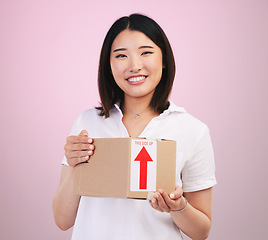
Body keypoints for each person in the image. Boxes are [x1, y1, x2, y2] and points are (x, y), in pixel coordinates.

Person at [53, 13, 216, 240]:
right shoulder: (86, 123)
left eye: (146, 52)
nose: (134, 65)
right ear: (109, 65)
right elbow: (63, 220)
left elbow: (201, 231)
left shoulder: (193, 131)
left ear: (164, 59)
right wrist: (73, 166)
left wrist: (178, 207)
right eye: (121, 55)